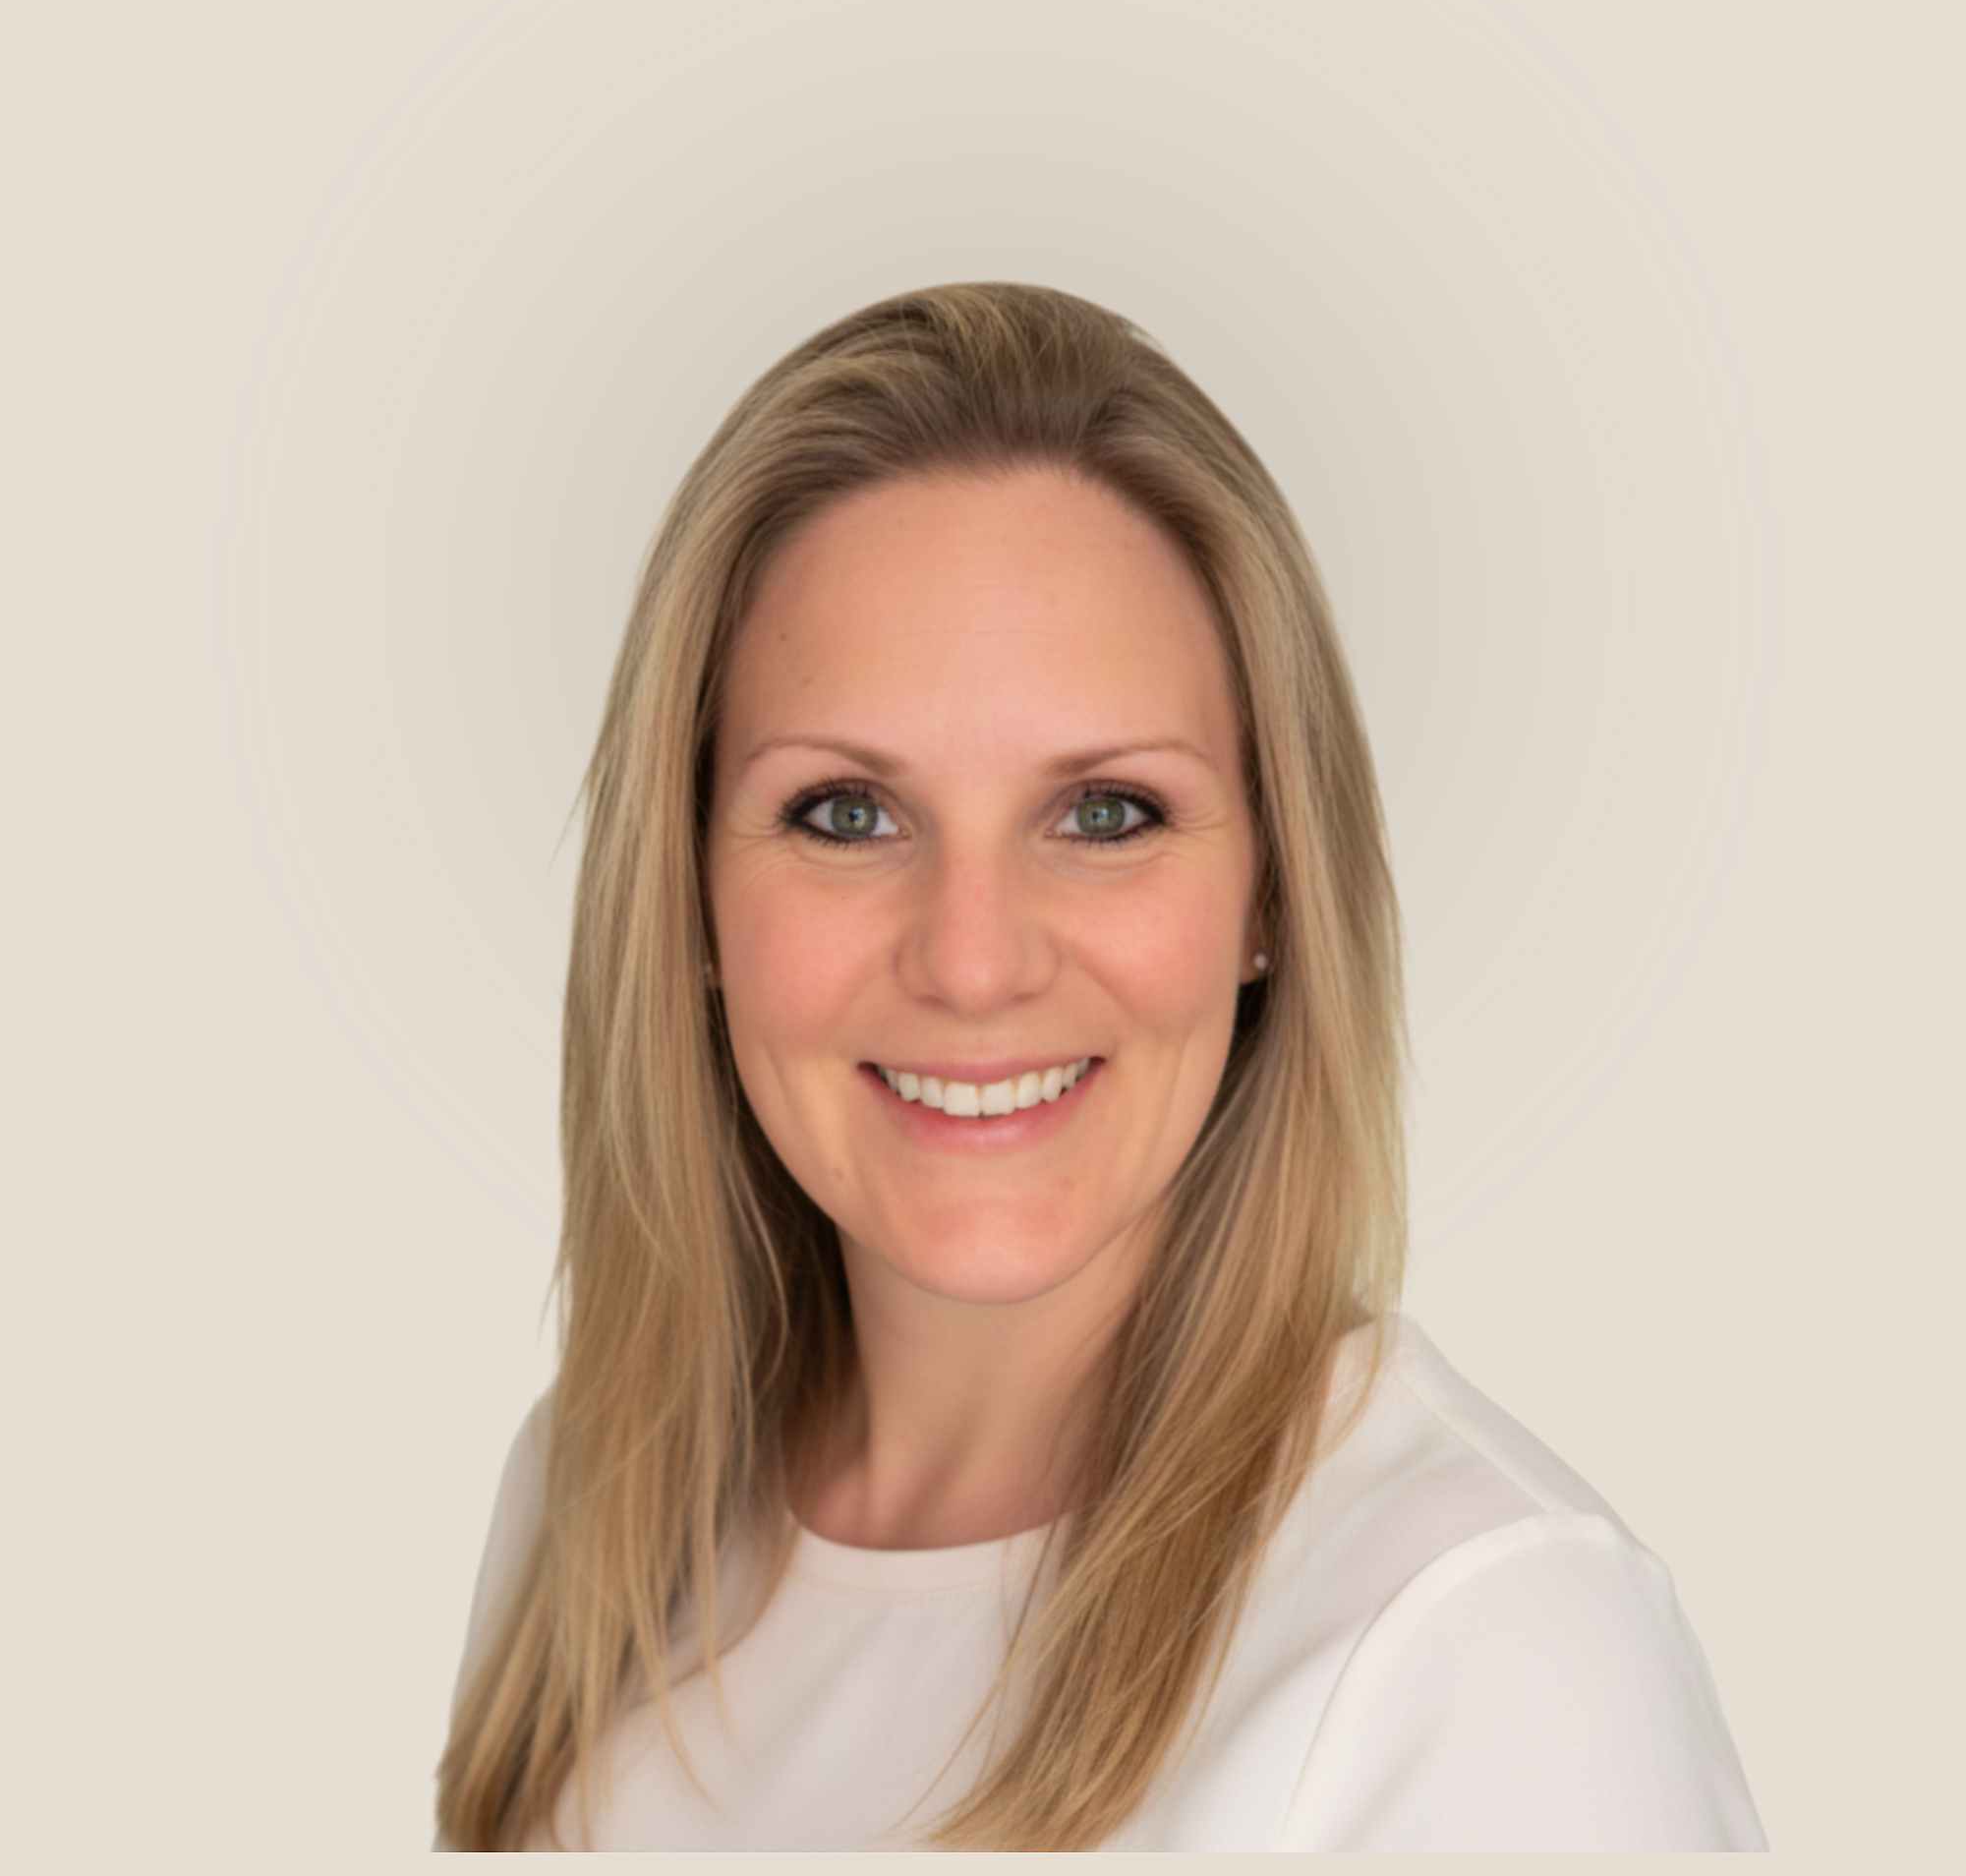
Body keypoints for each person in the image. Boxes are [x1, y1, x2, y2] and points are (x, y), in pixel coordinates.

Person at [434, 283, 1765, 1851]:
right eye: (847, 814)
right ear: (689, 901)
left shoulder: (1484, 1644)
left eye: (1108, 814)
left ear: (1272, 891)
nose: (977, 958)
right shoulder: (597, 1515)